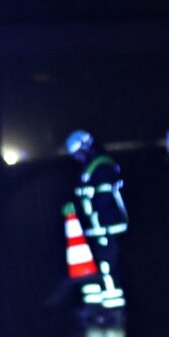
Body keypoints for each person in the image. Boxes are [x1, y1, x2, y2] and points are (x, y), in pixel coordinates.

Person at [67, 130, 127, 314]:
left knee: (108, 267)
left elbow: (102, 198)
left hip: (106, 226)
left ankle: (113, 309)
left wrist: (91, 215)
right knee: (99, 266)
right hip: (96, 227)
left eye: (78, 153)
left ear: (86, 147)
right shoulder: (91, 167)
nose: (77, 158)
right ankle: (98, 306)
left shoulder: (101, 166)